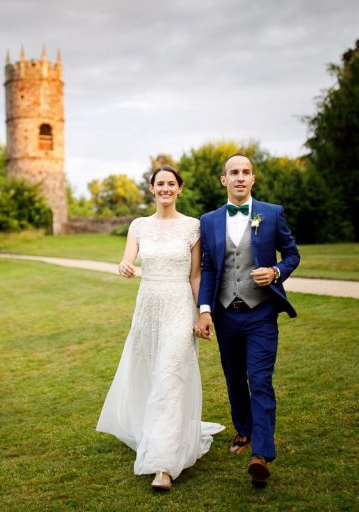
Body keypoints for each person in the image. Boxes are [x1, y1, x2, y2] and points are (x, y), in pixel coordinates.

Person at [97, 165, 224, 491]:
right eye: (160, 184)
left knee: (170, 378)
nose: (165, 188)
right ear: (152, 189)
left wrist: (203, 313)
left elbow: (195, 276)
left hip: (179, 308)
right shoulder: (138, 226)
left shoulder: (192, 228)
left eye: (171, 183)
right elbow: (128, 259)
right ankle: (155, 432)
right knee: (152, 375)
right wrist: (124, 266)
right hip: (148, 310)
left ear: (179, 189)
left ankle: (163, 466)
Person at [194, 153, 300, 487]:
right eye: (233, 173)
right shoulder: (208, 220)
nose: (240, 177)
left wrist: (276, 271)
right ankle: (244, 429)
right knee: (234, 378)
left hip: (261, 314)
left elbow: (292, 254)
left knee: (261, 379)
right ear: (224, 180)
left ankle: (261, 455)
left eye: (246, 172)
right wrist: (205, 309)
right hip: (226, 315)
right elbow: (209, 268)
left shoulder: (271, 214)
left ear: (253, 179)